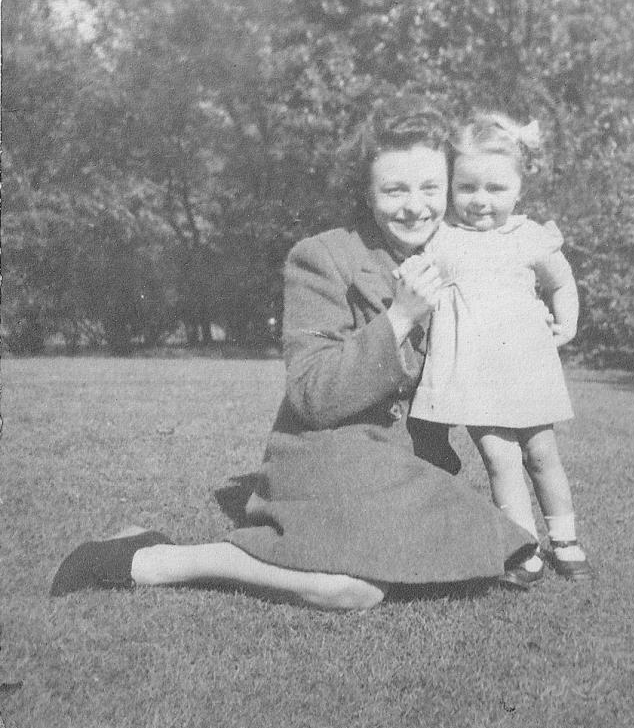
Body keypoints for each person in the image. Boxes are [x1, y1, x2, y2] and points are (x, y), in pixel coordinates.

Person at [51, 99, 536, 610]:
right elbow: (311, 394)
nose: (415, 206)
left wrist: (533, 324)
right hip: (327, 453)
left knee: (461, 561)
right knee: (354, 591)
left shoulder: (458, 255)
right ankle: (152, 560)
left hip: (401, 460)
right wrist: (399, 318)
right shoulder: (322, 256)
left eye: (430, 188)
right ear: (367, 194)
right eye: (394, 189)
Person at [409, 112, 591, 584]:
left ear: (518, 189)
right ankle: (522, 546)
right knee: (499, 459)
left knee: (541, 454)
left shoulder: (528, 237)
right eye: (467, 188)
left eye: (496, 189)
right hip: (472, 373)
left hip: (525, 368)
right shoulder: (442, 239)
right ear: (450, 188)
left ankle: (565, 538)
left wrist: (566, 322)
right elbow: (413, 283)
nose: (481, 201)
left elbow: (562, 281)